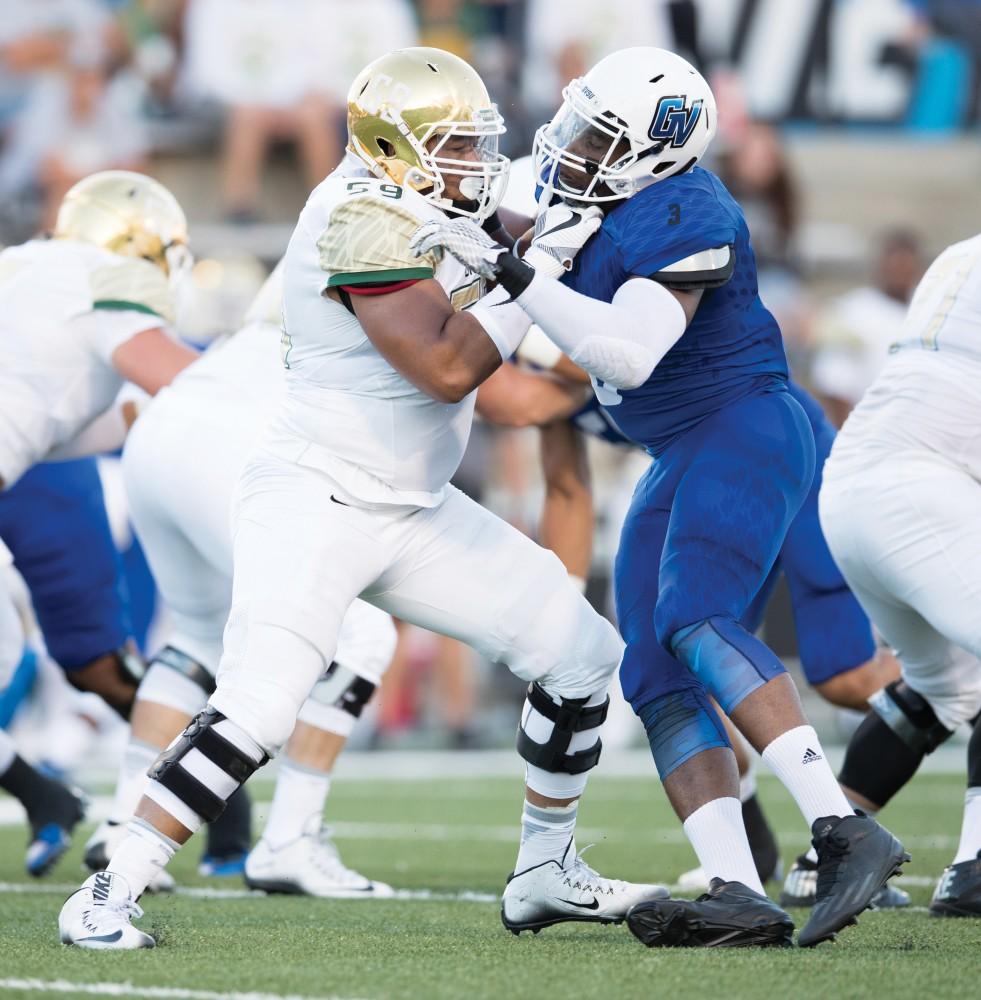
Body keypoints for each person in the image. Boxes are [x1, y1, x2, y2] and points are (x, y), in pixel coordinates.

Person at [59, 46, 668, 950]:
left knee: (583, 657)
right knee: (260, 705)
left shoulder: (423, 190)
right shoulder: (356, 216)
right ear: (392, 147)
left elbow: (520, 211)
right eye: (454, 147)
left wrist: (577, 213)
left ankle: (546, 870)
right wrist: (532, 271)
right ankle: (111, 889)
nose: (471, 163)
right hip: (319, 495)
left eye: (475, 145)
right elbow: (447, 366)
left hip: (414, 505)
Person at [414, 47, 907, 948]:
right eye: (574, 123)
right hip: (677, 446)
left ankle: (842, 828)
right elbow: (498, 209)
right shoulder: (584, 192)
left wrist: (519, 275)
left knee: (696, 616)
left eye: (595, 135)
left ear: (652, 151)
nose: (567, 145)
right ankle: (735, 883)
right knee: (648, 663)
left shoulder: (686, 207)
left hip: (745, 421)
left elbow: (630, 352)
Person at [83, 261, 398, 898]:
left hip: (169, 424)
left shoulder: (347, 220)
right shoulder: (435, 229)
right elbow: (483, 382)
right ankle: (291, 839)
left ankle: (123, 819)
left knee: (199, 636)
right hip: (236, 434)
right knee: (360, 633)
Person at [819, 231, 981, 919]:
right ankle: (973, 869)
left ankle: (824, 856)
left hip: (852, 487)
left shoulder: (957, 255)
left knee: (942, 688)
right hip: (919, 486)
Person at [0, 169, 198, 714]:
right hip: (33, 475)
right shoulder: (108, 277)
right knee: (9, 649)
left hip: (31, 464)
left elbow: (47, 426)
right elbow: (198, 387)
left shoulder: (25, 264)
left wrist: (138, 412)